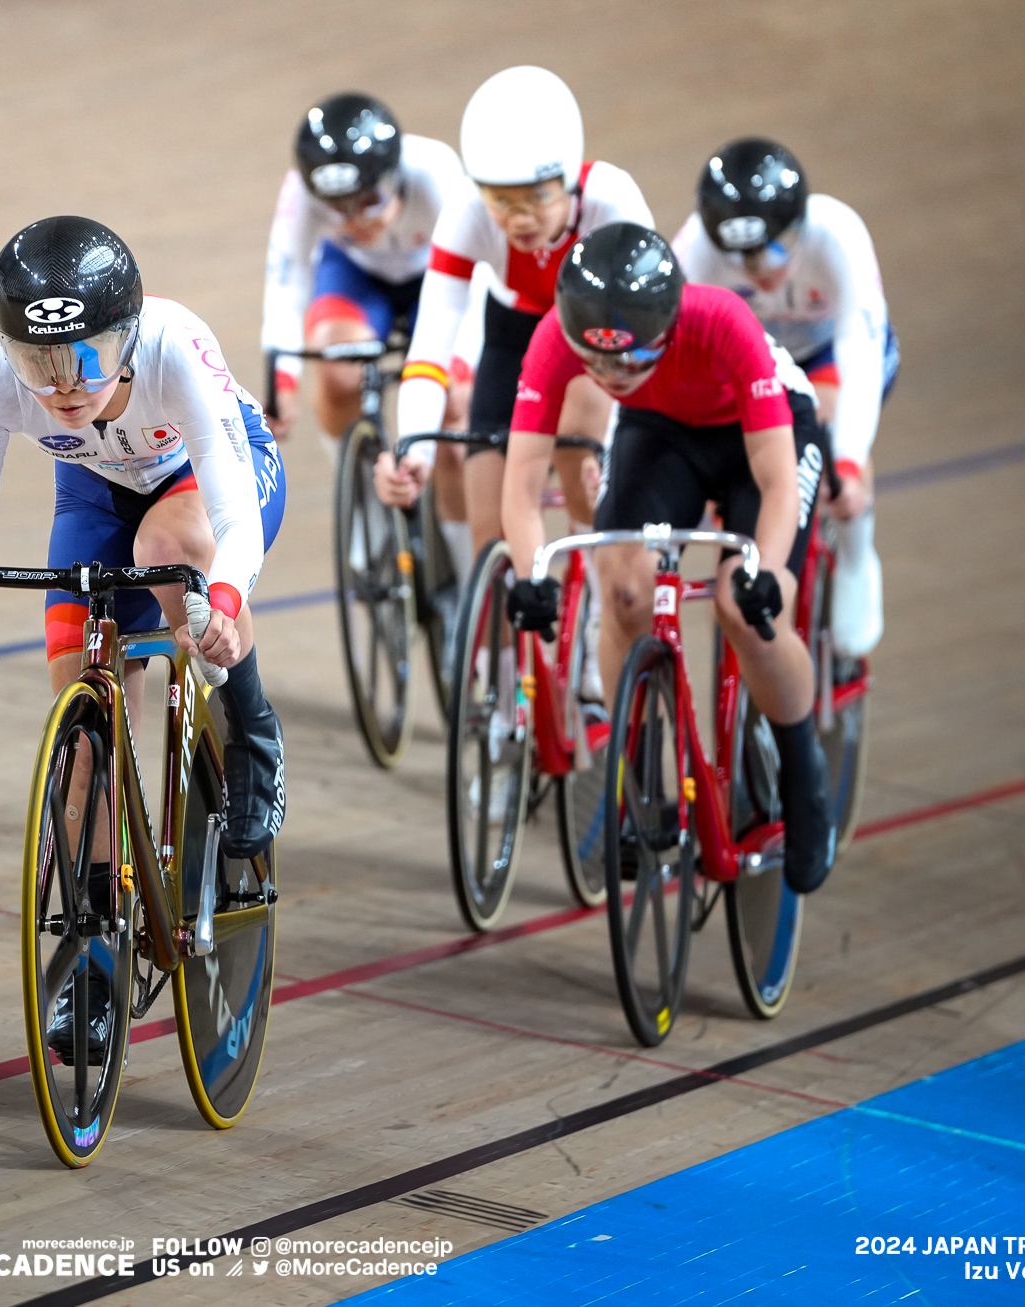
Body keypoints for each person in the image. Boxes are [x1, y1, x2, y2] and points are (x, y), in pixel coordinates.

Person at [0, 216, 287, 1059]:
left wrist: (223, 598)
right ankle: (88, 955)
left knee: (169, 550)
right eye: (36, 363)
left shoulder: (175, 348)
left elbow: (232, 515)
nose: (61, 384)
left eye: (85, 355)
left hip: (212, 478)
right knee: (81, 742)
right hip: (93, 498)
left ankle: (254, 738)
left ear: (126, 335)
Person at [500, 223, 837, 894]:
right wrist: (533, 572)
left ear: (668, 326)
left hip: (761, 429)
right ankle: (642, 770)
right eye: (597, 364)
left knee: (752, 612)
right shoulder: (555, 340)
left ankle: (804, 770)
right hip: (663, 431)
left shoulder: (723, 323)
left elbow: (774, 482)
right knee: (623, 590)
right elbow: (521, 484)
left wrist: (766, 576)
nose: (609, 377)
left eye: (628, 363)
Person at [378, 66, 653, 559]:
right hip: (512, 338)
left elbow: (653, 336)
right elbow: (430, 345)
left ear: (568, 181)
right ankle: (495, 635)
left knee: (583, 470)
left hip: (595, 343)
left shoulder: (613, 201)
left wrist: (614, 446)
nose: (519, 218)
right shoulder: (465, 212)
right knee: (492, 531)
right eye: (501, 200)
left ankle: (591, 606)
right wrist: (414, 453)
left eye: (536, 197)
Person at [671, 137, 897, 657]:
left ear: (799, 226)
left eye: (775, 248)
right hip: (753, 359)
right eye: (742, 258)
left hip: (829, 357)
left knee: (828, 430)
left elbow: (859, 349)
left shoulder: (837, 234)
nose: (760, 268)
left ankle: (859, 557)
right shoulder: (697, 252)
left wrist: (846, 458)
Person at [261, 91, 476, 563]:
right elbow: (288, 277)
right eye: (337, 208)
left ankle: (464, 571)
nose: (356, 221)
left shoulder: (436, 171)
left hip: (439, 277)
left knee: (456, 403)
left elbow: (479, 279)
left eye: (370, 201)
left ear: (396, 176)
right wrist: (282, 381)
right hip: (356, 276)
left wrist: (461, 362)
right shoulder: (301, 188)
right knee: (338, 376)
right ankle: (364, 506)